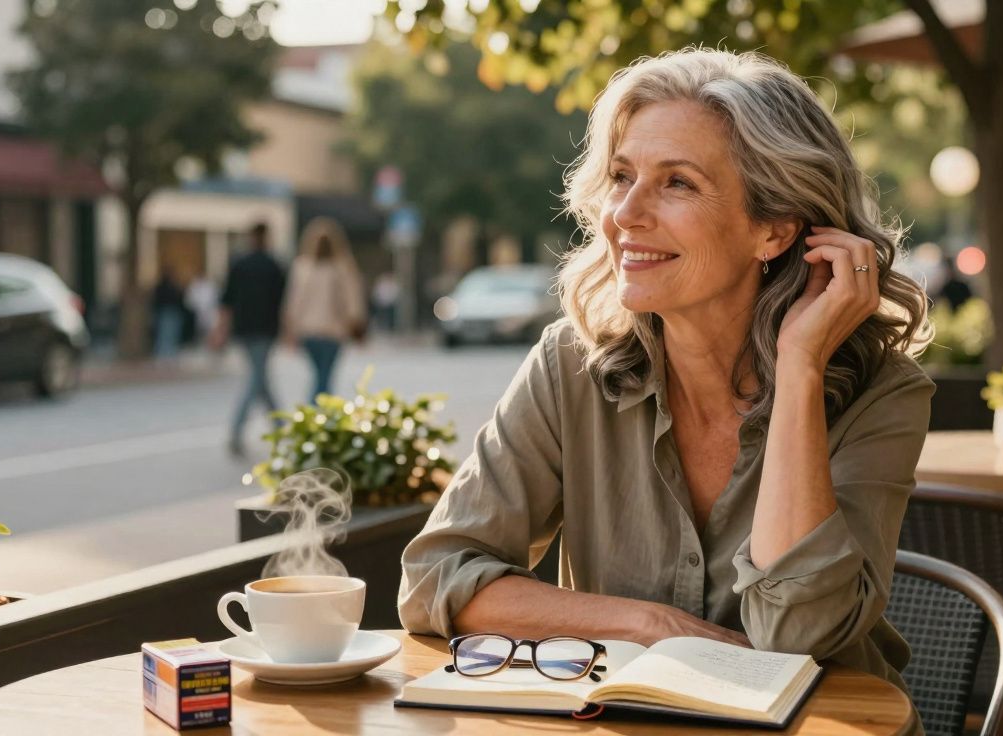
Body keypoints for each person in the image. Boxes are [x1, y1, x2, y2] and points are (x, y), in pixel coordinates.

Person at [398, 49, 934, 696]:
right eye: (623, 176)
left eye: (677, 182)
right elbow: (435, 577)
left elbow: (799, 636)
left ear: (774, 230)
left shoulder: (882, 394)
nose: (625, 214)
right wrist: (651, 627)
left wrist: (799, 370)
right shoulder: (570, 366)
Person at [211, 222, 287, 457]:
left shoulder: (241, 264)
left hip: (245, 329)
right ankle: (241, 430)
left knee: (260, 378)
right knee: (257, 379)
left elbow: (227, 301)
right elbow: (283, 302)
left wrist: (222, 329)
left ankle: (280, 428)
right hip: (264, 330)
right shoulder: (273, 266)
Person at [282, 217, 367, 401]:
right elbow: (353, 302)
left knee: (320, 376)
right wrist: (357, 327)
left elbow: (293, 304)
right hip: (333, 332)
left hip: (308, 331)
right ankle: (318, 416)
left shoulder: (302, 267)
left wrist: (290, 330)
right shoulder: (342, 267)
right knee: (324, 377)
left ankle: (315, 414)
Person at [149, 268, 186, 359]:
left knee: (169, 334)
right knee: (165, 334)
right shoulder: (167, 287)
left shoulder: (169, 287)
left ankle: (168, 353)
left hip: (170, 313)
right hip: (166, 313)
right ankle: (164, 354)